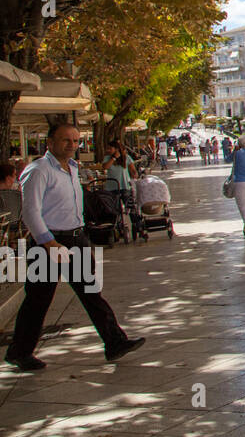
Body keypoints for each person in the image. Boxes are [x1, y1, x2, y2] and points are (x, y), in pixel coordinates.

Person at [5, 122, 145, 371]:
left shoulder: (71, 168)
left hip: (74, 239)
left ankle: (115, 342)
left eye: (75, 140)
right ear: (50, 143)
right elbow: (30, 211)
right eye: (65, 140)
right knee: (38, 299)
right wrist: (48, 242)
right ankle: (20, 351)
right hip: (49, 242)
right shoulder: (38, 171)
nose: (71, 145)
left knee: (91, 291)